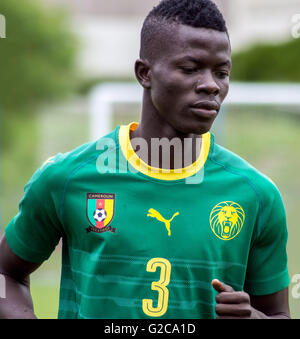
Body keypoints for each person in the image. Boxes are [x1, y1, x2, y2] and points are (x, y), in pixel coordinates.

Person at [0, 0, 290, 319]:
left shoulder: (256, 195)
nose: (211, 84)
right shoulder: (68, 177)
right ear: (144, 73)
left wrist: (252, 317)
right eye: (190, 68)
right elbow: (6, 274)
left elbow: (276, 314)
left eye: (221, 72)